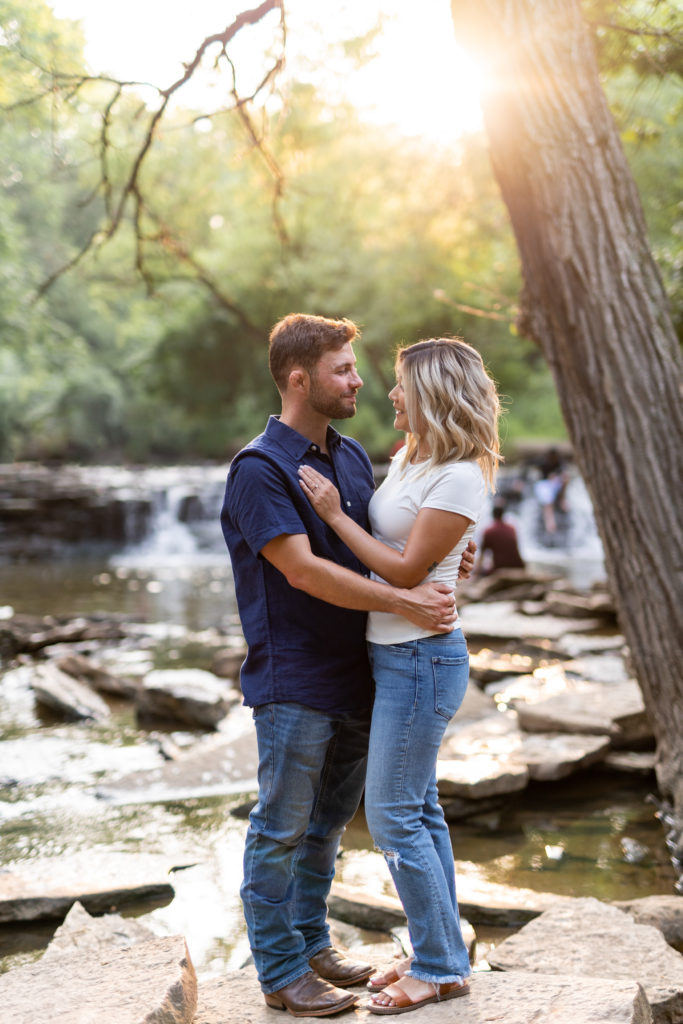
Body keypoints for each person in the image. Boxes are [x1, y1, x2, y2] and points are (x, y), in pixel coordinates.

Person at [220, 314, 475, 1018]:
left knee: (328, 825)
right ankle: (279, 972)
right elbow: (301, 572)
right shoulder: (259, 469)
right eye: (343, 369)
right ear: (299, 379)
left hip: (365, 671)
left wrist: (446, 557)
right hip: (294, 679)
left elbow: (386, 544)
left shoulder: (354, 456)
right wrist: (405, 598)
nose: (358, 380)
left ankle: (311, 944)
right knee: (280, 827)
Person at [298, 336, 500, 1015]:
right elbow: (420, 551)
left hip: (421, 658)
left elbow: (407, 570)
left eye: (399, 384)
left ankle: (439, 965)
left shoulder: (461, 475)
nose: (386, 393)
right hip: (395, 653)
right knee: (420, 812)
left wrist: (330, 515)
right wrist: (449, 558)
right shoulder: (414, 457)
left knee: (390, 817)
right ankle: (437, 952)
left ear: (434, 393)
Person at [477, 500, 525, 575]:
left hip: (499, 569)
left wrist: (476, 574)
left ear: (492, 514)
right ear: (503, 514)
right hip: (518, 567)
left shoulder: (489, 531)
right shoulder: (512, 529)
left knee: (483, 572)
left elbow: (482, 556)